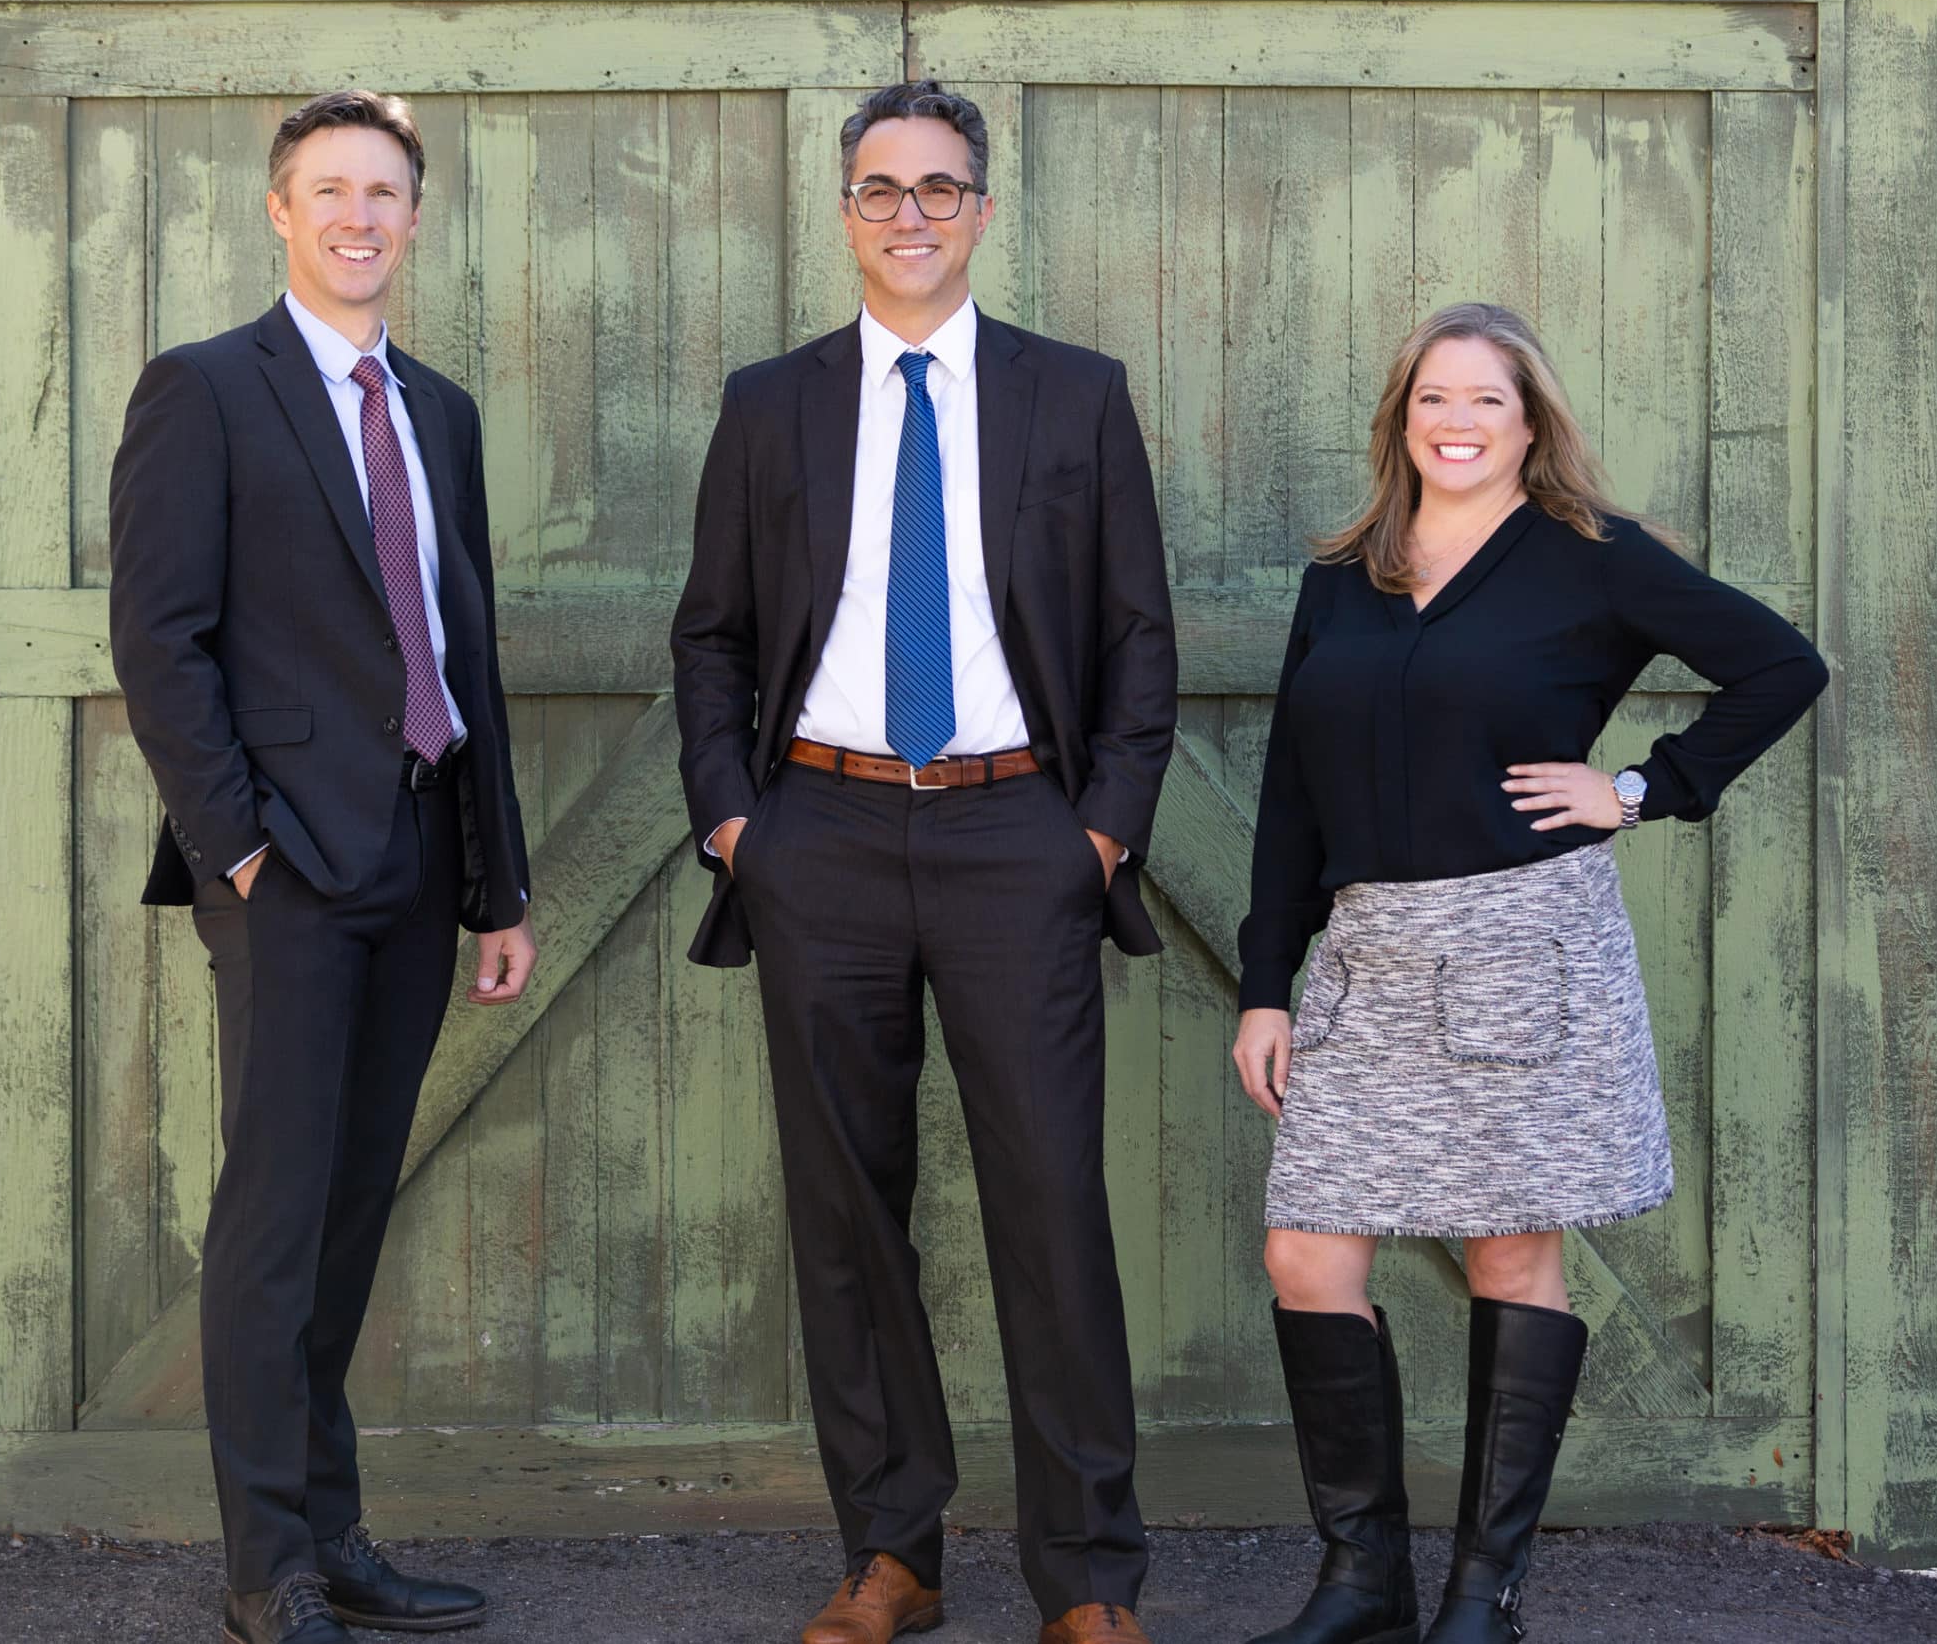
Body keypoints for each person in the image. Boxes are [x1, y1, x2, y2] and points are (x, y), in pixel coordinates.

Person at [1228, 303, 1828, 1644]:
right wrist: (1267, 981)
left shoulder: (1589, 561)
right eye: (1432, 398)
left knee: (1510, 1246)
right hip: (1370, 958)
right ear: (1401, 420)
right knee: (1308, 1252)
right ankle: (1359, 1585)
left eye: (1485, 400)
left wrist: (1637, 787)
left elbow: (1781, 666)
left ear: (1530, 423)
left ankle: (1480, 1602)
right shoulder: (1347, 575)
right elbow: (1289, 797)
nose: (1455, 420)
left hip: (1524, 942)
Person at [669, 79, 1178, 1644]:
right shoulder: (773, 404)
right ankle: (892, 1553)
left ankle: (1086, 1579)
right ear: (844, 213)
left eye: (939, 188)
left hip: (1014, 832)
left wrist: (1093, 834)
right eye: (881, 189)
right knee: (844, 1211)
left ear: (984, 210)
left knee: (1050, 1207)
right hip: (816, 832)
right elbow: (713, 638)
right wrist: (737, 820)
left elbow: (1137, 642)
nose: (909, 214)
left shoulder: (1074, 396)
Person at [108, 89, 538, 1644]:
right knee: (278, 1215)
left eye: (385, 193)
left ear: (414, 220)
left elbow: (459, 649)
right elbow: (161, 642)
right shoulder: (207, 390)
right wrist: (236, 851)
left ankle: (337, 1536)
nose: (359, 214)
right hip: (286, 869)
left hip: (424, 856)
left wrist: (499, 881)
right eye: (329, 189)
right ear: (279, 212)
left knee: (354, 1206)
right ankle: (265, 1564)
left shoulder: (441, 410)